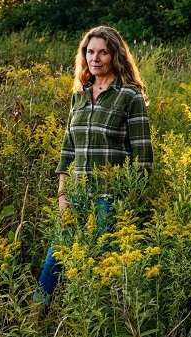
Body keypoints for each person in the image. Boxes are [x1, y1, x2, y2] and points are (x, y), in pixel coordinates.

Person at [36, 25, 153, 302]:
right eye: (90, 52)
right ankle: (35, 316)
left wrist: (130, 201)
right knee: (55, 257)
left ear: (115, 56)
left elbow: (143, 157)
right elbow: (68, 148)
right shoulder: (79, 95)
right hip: (76, 195)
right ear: (84, 55)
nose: (95, 58)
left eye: (103, 52)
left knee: (100, 264)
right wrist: (63, 193)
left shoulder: (130, 96)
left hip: (109, 198)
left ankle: (97, 324)